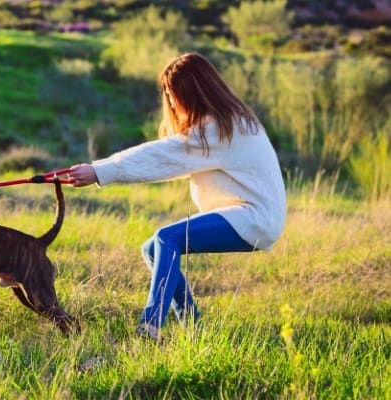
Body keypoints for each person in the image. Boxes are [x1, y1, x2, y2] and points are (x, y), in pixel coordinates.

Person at [67, 52, 286, 341]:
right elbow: (168, 157)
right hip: (247, 213)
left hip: (255, 217)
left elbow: (161, 155)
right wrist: (99, 171)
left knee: (166, 237)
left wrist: (99, 171)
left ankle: (151, 326)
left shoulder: (221, 129)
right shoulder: (224, 123)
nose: (170, 102)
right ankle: (194, 328)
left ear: (192, 92)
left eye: (172, 94)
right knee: (153, 249)